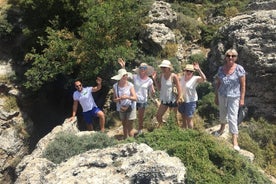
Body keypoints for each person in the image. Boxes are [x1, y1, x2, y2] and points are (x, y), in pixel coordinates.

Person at [213, 48, 246, 151]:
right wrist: (216, 96)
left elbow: (243, 85)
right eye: (228, 56)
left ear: (236, 57)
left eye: (233, 56)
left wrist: (242, 99)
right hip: (222, 94)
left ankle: (235, 140)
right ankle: (222, 129)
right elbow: (218, 83)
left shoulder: (239, 69)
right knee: (222, 113)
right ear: (225, 57)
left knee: (232, 117)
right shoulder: (221, 69)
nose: (230, 58)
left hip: (234, 96)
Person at [118, 58, 155, 134]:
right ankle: (129, 131)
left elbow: (152, 90)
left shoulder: (149, 80)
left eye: (144, 68)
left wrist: (153, 93)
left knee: (140, 116)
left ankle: (140, 131)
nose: (142, 70)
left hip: (142, 100)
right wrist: (123, 67)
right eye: (141, 68)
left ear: (146, 70)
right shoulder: (135, 76)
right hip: (133, 99)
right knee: (131, 117)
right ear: (139, 69)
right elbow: (126, 76)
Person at [152, 59, 182, 126]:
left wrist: (178, 98)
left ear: (169, 68)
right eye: (162, 67)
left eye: (164, 67)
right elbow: (160, 88)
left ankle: (176, 131)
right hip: (164, 99)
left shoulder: (173, 76)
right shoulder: (161, 76)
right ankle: (164, 128)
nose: (163, 69)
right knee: (158, 116)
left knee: (174, 118)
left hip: (173, 99)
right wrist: (155, 79)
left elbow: (179, 87)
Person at [178, 63, 206, 129]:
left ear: (193, 72)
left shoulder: (195, 78)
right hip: (182, 100)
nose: (189, 72)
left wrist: (199, 70)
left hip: (190, 101)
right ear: (185, 71)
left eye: (191, 71)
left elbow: (204, 79)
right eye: (187, 71)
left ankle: (190, 133)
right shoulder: (181, 78)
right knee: (183, 116)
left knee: (189, 118)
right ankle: (184, 129)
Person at [111, 68, 137, 139]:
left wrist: (127, 97)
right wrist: (119, 99)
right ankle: (126, 138)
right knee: (124, 124)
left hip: (130, 106)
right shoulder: (115, 86)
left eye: (126, 75)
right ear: (120, 77)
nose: (125, 77)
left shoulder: (130, 85)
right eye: (124, 75)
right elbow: (114, 99)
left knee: (129, 125)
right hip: (121, 107)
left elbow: (135, 98)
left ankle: (132, 140)